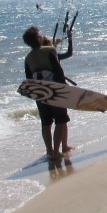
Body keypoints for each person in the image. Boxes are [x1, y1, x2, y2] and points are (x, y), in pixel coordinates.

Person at [22, 25, 72, 159]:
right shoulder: (49, 50)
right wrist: (64, 89)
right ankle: (56, 151)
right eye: (40, 34)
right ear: (38, 38)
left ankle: (49, 152)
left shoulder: (27, 58)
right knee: (61, 120)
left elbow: (29, 80)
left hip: (40, 94)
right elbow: (58, 72)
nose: (42, 35)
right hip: (55, 91)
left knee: (46, 123)